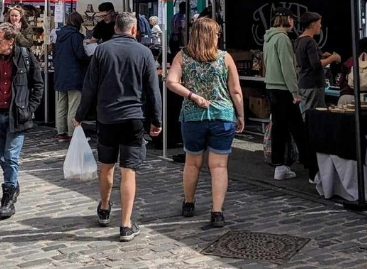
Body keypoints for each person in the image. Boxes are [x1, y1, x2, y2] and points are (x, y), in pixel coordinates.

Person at [74, 12, 162, 242]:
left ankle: (104, 208)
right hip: (133, 116)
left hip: (107, 116)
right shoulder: (144, 53)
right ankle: (125, 224)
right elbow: (153, 91)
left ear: (115, 29)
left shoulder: (102, 50)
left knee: (106, 166)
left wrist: (80, 115)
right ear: (134, 30)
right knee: (128, 170)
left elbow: (90, 86)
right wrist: (157, 120)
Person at [166, 18, 244, 228]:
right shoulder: (224, 58)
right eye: (217, 33)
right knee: (218, 166)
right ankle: (216, 211)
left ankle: (189, 202)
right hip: (222, 115)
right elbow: (236, 91)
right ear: (212, 35)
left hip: (193, 116)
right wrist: (241, 115)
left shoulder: (183, 56)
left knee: (192, 162)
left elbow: (171, 82)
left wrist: (192, 95)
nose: (219, 36)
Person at [0, 23, 44, 220]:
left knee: (11, 156)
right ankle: (13, 183)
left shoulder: (24, 56)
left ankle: (8, 199)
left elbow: (38, 85)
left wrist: (29, 109)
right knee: (2, 157)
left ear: (10, 41)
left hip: (17, 114)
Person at [263, 7, 318, 183]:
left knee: (279, 128)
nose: (294, 23)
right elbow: (287, 68)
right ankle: (313, 171)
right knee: (299, 130)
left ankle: (279, 165)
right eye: (292, 19)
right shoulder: (282, 39)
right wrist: (295, 92)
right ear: (286, 19)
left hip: (271, 87)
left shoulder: (268, 38)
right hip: (283, 89)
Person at [294, 12, 340, 116]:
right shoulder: (310, 42)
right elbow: (315, 64)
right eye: (319, 23)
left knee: (306, 113)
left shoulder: (299, 40)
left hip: (303, 83)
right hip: (313, 84)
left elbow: (305, 60)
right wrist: (333, 58)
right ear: (312, 24)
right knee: (315, 116)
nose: (321, 25)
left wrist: (321, 56)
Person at [54, 12, 90, 142]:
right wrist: (89, 58)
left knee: (61, 104)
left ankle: (61, 132)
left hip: (60, 74)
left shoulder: (59, 35)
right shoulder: (76, 36)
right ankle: (72, 133)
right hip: (74, 74)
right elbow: (80, 55)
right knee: (74, 104)